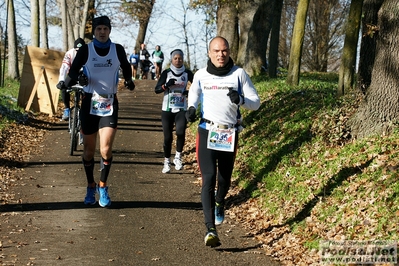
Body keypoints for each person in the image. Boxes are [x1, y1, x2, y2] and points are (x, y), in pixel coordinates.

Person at [186, 36, 260, 247]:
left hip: (229, 134)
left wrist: (241, 100)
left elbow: (256, 103)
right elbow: (194, 94)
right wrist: (191, 109)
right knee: (208, 178)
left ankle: (220, 202)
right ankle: (210, 229)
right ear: (209, 53)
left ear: (229, 52)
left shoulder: (239, 75)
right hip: (207, 131)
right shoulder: (201, 75)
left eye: (224, 51)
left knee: (224, 180)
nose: (221, 55)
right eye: (216, 51)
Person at [67, 15, 135, 208]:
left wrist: (129, 81)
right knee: (88, 152)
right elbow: (73, 72)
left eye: (105, 29)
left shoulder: (117, 49)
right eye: (99, 29)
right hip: (89, 103)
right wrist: (73, 80)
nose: (102, 32)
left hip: (110, 103)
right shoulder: (86, 50)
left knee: (105, 149)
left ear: (109, 31)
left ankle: (103, 186)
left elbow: (126, 67)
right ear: (94, 32)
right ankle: (91, 186)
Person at [154, 49, 194, 174]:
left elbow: (197, 87)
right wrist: (166, 85)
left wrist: (189, 92)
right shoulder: (166, 73)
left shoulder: (187, 73)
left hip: (181, 109)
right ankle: (166, 161)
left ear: (183, 59)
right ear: (171, 59)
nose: (178, 60)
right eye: (175, 58)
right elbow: (157, 90)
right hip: (167, 110)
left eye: (180, 58)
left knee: (180, 132)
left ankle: (178, 157)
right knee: (167, 137)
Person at [56, 38, 85, 120]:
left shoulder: (89, 52)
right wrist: (61, 80)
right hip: (73, 75)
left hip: (84, 76)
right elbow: (64, 67)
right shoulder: (69, 53)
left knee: (87, 90)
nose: (78, 52)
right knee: (64, 87)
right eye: (77, 50)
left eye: (81, 50)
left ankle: (85, 110)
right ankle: (67, 109)